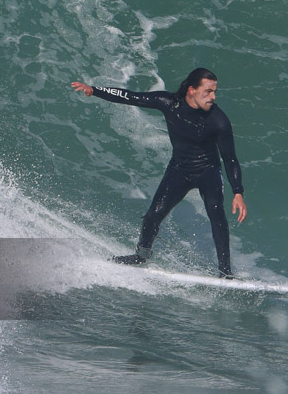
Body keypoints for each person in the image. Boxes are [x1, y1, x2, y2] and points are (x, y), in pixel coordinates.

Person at [71, 68, 247, 277]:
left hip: (208, 171)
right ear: (192, 90)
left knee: (217, 214)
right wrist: (95, 90)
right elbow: (131, 97)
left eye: (214, 92)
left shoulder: (219, 120)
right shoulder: (169, 103)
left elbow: (230, 158)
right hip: (180, 170)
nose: (213, 97)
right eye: (207, 91)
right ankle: (141, 256)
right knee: (152, 216)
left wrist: (238, 192)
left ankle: (225, 272)